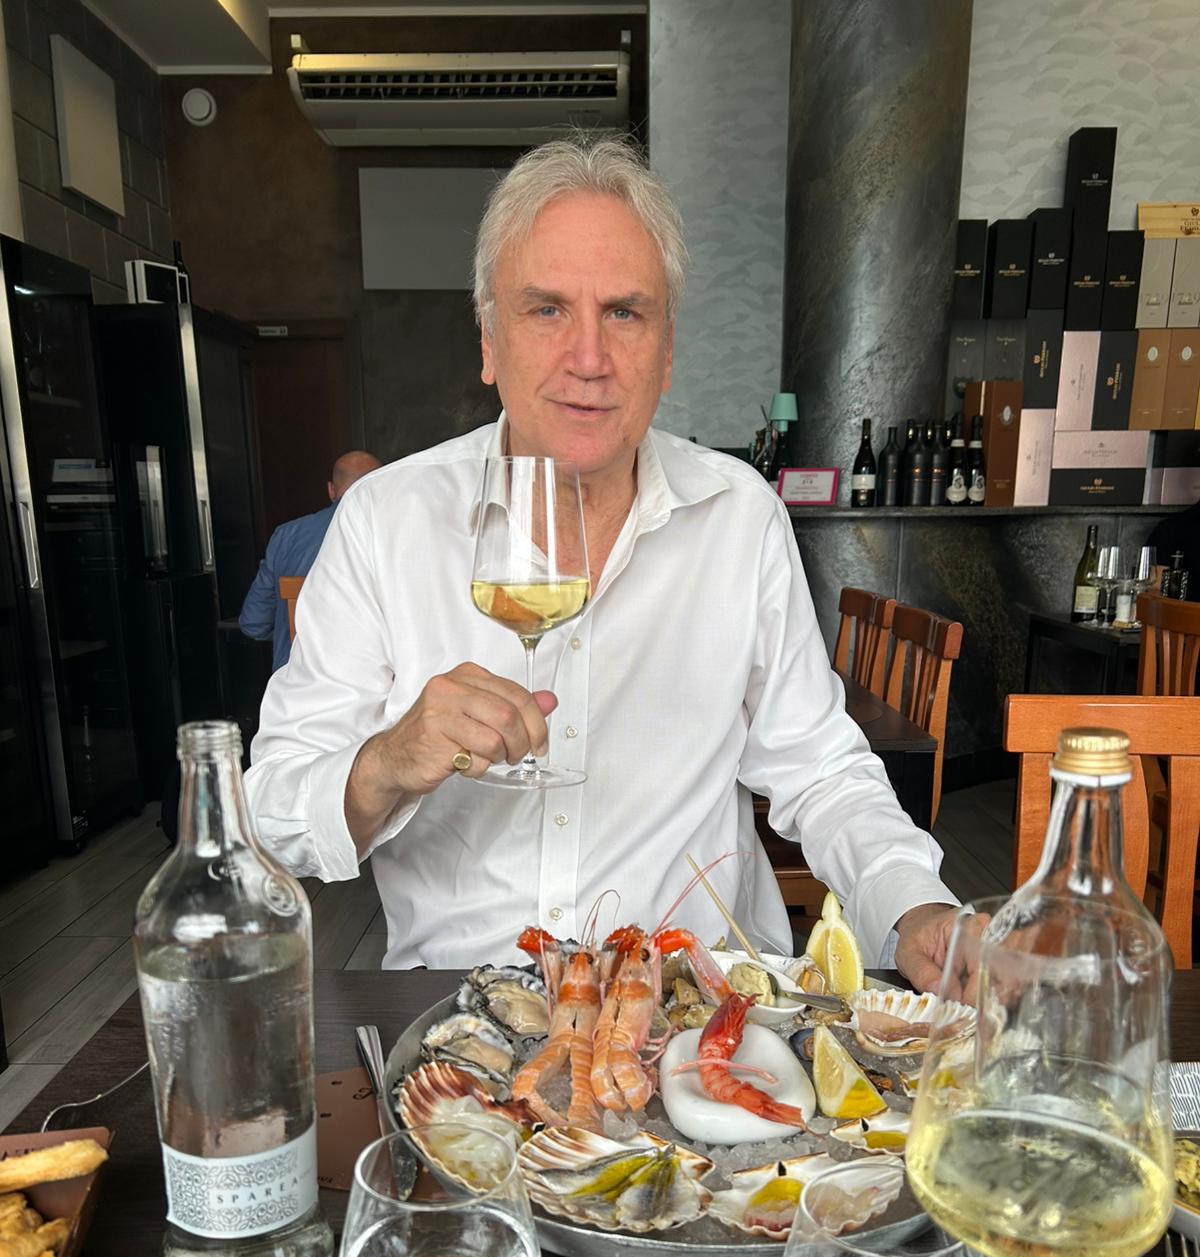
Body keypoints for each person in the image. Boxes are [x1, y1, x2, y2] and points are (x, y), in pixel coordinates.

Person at [244, 135, 961, 989]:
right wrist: (385, 763)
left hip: (698, 1014)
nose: (588, 359)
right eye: (546, 309)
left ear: (667, 351)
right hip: (464, 1008)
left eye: (624, 313)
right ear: (488, 340)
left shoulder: (740, 517)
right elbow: (274, 813)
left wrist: (916, 908)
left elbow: (822, 769)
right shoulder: (383, 521)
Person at [239, 450, 381, 670]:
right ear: (384, 489)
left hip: (294, 682)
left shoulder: (286, 536)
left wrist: (303, 634)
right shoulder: (398, 536)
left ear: (331, 490)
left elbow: (254, 622)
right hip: (373, 683)